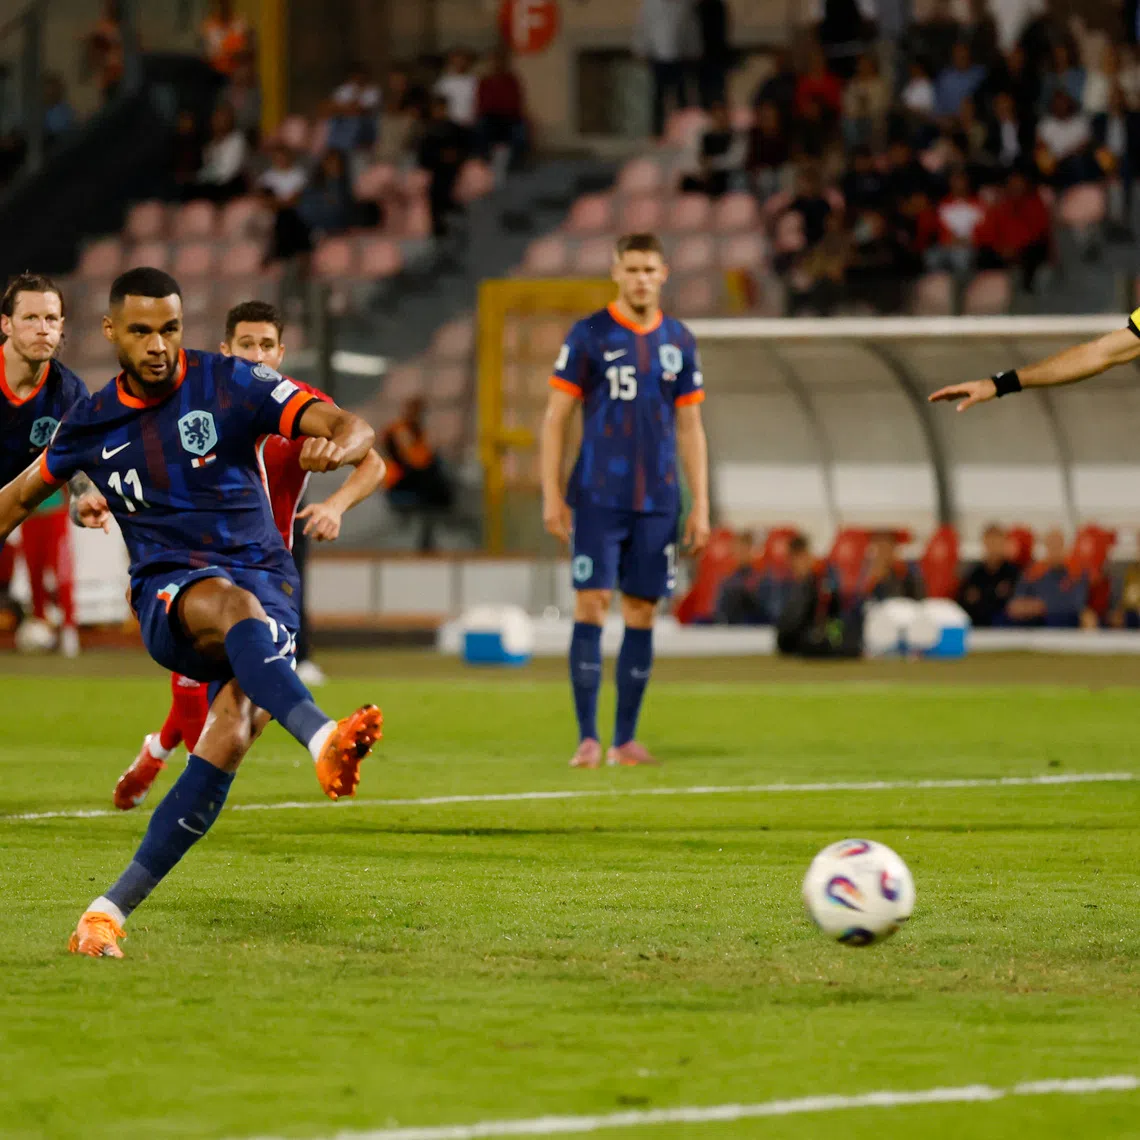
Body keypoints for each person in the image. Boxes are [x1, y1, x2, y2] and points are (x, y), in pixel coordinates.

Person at [0, 267, 384, 958]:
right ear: (112, 332)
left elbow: (350, 427)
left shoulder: (231, 381)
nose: (157, 344)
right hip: (170, 593)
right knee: (228, 607)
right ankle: (324, 739)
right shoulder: (89, 421)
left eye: (170, 328)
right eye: (141, 330)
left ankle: (104, 914)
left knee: (230, 733)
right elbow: (18, 499)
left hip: (269, 586)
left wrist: (338, 445)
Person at [114, 300, 385, 809]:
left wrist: (335, 502)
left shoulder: (302, 409)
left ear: (281, 353)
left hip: (267, 577)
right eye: (246, 345)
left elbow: (373, 460)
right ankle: (186, 799)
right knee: (207, 703)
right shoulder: (203, 404)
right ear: (226, 350)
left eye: (266, 345)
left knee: (235, 694)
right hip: (199, 570)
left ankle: (158, 754)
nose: (256, 354)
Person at [541, 232, 710, 768]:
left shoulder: (679, 340)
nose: (640, 278)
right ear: (615, 271)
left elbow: (691, 428)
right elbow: (555, 418)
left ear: (664, 274)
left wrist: (699, 503)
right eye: (631, 268)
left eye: (649, 269)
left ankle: (625, 740)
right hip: (597, 495)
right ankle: (587, 738)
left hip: (659, 498)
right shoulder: (589, 333)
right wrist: (551, 494)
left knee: (642, 610)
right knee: (591, 601)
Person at [0, 275, 96, 658]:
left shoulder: (70, 394)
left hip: (22, 504)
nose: (43, 329)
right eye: (31, 318)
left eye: (52, 319)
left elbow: (78, 468)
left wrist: (84, 497)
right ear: (5, 324)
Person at [380, 396, 455, 552]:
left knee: (435, 473)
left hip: (417, 477)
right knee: (432, 476)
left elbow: (426, 457)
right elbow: (411, 459)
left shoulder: (420, 431)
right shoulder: (399, 429)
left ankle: (430, 533)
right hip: (399, 479)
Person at [775, 533, 859, 657]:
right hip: (800, 637)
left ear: (807, 556)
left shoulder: (822, 579)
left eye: (800, 558)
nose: (796, 564)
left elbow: (835, 613)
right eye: (794, 559)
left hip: (824, 632)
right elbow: (789, 621)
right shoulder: (793, 585)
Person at [975, 167, 1052, 289]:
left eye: (1019, 183)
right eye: (1013, 183)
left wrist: (1016, 248)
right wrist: (1000, 248)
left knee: (1035, 251)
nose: (1017, 186)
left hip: (1026, 248)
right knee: (984, 255)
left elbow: (1038, 231)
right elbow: (989, 231)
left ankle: (1027, 292)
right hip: (1003, 249)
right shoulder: (1000, 204)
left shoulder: (1035, 204)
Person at [634, 0, 700, 137]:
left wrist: (693, 50)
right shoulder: (651, 4)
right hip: (659, 56)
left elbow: (690, 29)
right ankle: (657, 132)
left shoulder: (684, 5)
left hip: (680, 56)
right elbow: (643, 27)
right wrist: (642, 48)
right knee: (658, 96)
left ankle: (684, 131)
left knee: (681, 96)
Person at [1004, 529, 1089, 627]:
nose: (1055, 549)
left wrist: (1042, 606)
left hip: (1066, 623)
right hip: (1037, 624)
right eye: (1051, 544)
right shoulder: (1034, 571)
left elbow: (1077, 604)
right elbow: (1017, 602)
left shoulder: (1076, 571)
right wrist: (1030, 607)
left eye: (1058, 544)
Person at [417, 95, 469, 239]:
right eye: (436, 108)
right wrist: (440, 156)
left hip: (455, 169)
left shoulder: (456, 129)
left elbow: (466, 147)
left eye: (441, 108)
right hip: (436, 170)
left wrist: (455, 155)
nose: (439, 111)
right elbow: (423, 157)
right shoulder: (428, 131)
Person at [475, 48, 529, 175]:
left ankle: (507, 165)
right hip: (489, 118)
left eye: (499, 61)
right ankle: (486, 166)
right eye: (494, 61)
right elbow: (482, 103)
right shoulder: (485, 81)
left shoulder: (512, 80)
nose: (496, 64)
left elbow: (515, 102)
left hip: (509, 118)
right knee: (481, 128)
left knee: (520, 132)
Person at [678, 100, 746, 198]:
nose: (719, 119)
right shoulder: (705, 136)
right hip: (706, 174)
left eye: (722, 115)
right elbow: (697, 157)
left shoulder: (736, 136)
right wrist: (702, 170)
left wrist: (713, 163)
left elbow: (736, 160)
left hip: (725, 174)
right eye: (716, 115)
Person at [957, 523, 1021, 626]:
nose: (993, 547)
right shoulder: (974, 575)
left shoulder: (1014, 573)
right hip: (977, 628)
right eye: (990, 542)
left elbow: (1014, 606)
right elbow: (965, 602)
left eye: (997, 542)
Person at [193, 103, 248, 203]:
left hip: (230, 189)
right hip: (210, 188)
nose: (219, 121)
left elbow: (227, 173)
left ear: (231, 120)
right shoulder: (209, 143)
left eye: (224, 118)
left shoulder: (237, 140)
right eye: (217, 117)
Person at [714, 531, 765, 624]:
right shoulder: (727, 582)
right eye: (738, 550)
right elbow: (720, 611)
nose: (741, 553)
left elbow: (764, 611)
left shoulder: (762, 579)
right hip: (732, 627)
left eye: (744, 550)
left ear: (751, 550)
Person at [200, 0, 253, 79]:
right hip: (214, 77)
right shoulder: (208, 27)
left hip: (239, 76)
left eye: (225, 2)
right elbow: (206, 55)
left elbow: (248, 51)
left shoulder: (241, 24)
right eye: (220, 2)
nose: (222, 5)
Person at [696, 0, 732, 109]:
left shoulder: (716, 7)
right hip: (702, 62)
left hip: (714, 60)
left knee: (716, 97)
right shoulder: (697, 8)